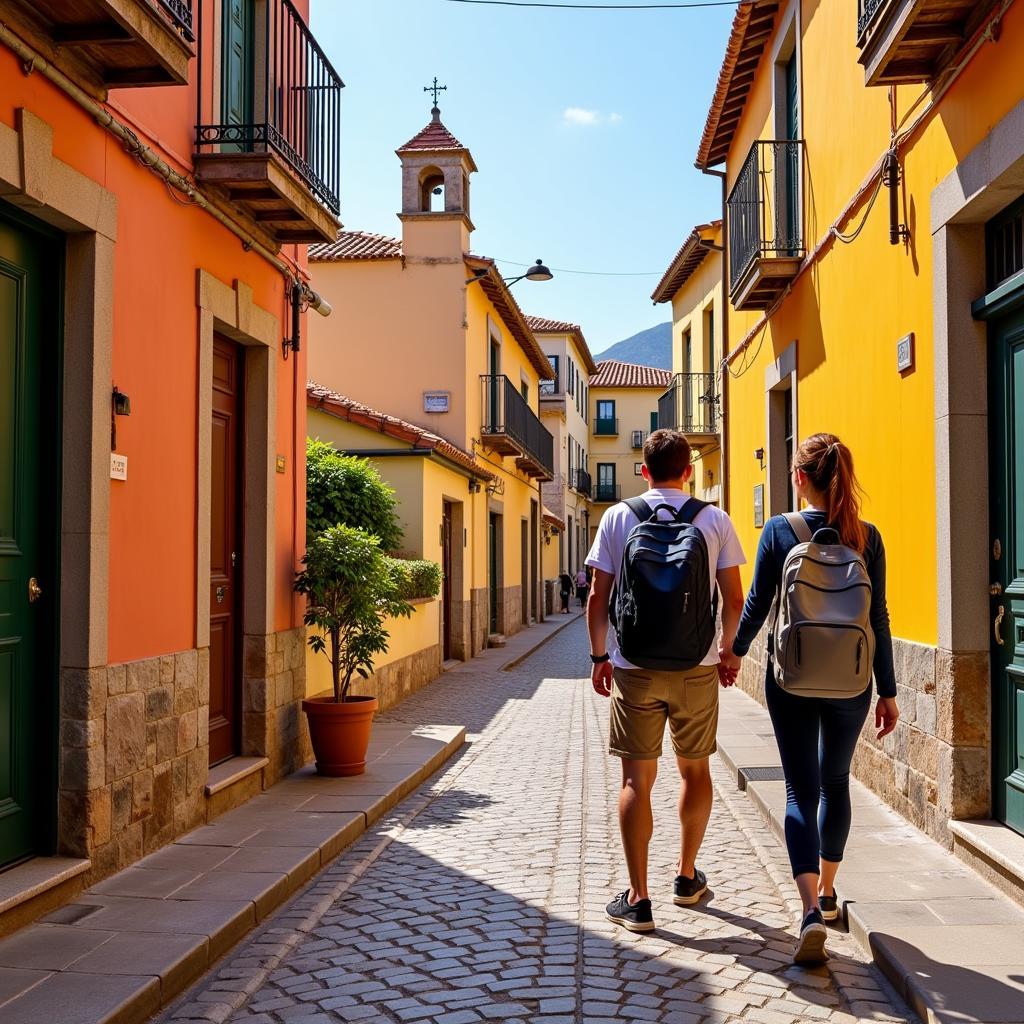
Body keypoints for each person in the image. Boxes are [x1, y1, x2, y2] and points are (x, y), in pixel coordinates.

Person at [731, 433, 899, 964]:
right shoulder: (867, 537)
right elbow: (878, 617)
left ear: (800, 477)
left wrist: (732, 653)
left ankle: (806, 911)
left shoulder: (780, 530)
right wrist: (889, 691)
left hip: (792, 678)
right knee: (835, 782)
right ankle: (828, 892)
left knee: (800, 791)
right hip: (853, 680)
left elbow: (758, 602)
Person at [586, 429, 746, 933]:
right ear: (690, 471)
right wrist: (727, 652)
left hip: (634, 668)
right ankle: (685, 877)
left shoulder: (617, 517)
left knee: (637, 779)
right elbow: (735, 599)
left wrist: (598, 656)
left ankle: (638, 899)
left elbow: (596, 596)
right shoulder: (714, 518)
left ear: (643, 470)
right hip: (696, 668)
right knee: (695, 772)